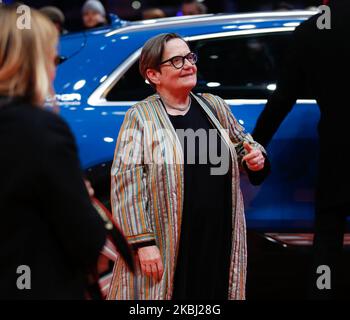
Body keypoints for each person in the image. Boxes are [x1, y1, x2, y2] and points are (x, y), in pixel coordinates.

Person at [108, 33, 270, 300]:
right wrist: (143, 243)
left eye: (190, 57)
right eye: (177, 60)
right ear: (154, 74)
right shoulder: (140, 117)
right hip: (170, 238)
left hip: (218, 234)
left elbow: (245, 145)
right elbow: (127, 183)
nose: (189, 64)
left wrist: (254, 159)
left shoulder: (213, 105)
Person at [0, 5, 107, 299]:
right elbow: (87, 239)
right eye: (53, 57)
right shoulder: (39, 129)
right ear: (34, 61)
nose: (55, 66)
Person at [252, 0, 350, 299]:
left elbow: (282, 98)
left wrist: (256, 143)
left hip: (339, 148)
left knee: (329, 232)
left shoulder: (310, 32)